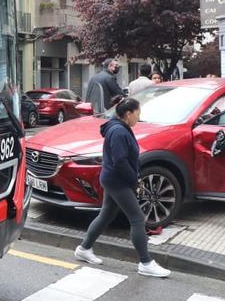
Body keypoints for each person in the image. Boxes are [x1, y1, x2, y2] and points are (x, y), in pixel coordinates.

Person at [73, 98, 171, 278]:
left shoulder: (118, 128)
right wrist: (134, 181)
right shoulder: (119, 132)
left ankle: (84, 249)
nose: (139, 117)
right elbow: (120, 161)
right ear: (128, 114)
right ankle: (146, 262)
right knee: (137, 218)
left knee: (106, 214)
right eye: (138, 113)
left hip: (112, 178)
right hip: (117, 181)